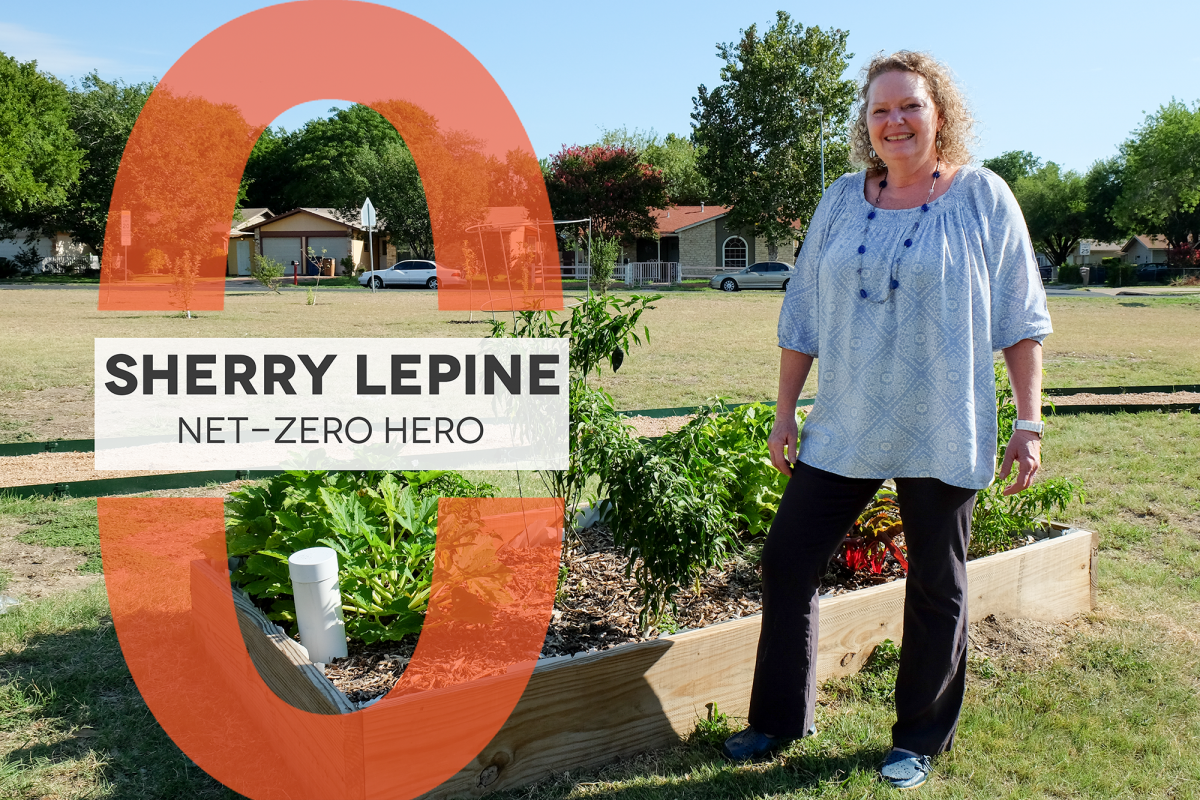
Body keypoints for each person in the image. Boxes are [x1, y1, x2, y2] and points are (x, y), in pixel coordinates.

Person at [721, 51, 1052, 790]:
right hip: (845, 422)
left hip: (945, 419)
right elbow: (801, 309)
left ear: (941, 114)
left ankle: (918, 738)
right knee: (787, 560)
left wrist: (1028, 422)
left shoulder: (982, 197)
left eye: (910, 107)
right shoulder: (841, 198)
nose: (895, 121)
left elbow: (1019, 318)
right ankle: (777, 719)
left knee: (937, 581)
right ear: (865, 124)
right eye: (880, 110)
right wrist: (785, 410)